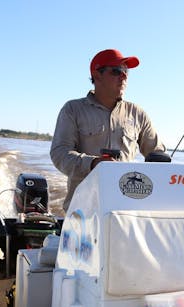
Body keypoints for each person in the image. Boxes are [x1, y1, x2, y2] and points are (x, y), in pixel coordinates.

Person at [50, 49, 166, 211]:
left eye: (126, 72)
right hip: (83, 209)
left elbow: (157, 155)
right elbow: (59, 154)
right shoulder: (73, 109)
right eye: (117, 71)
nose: (124, 76)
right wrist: (93, 163)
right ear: (97, 75)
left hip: (125, 210)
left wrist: (166, 170)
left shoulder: (138, 114)